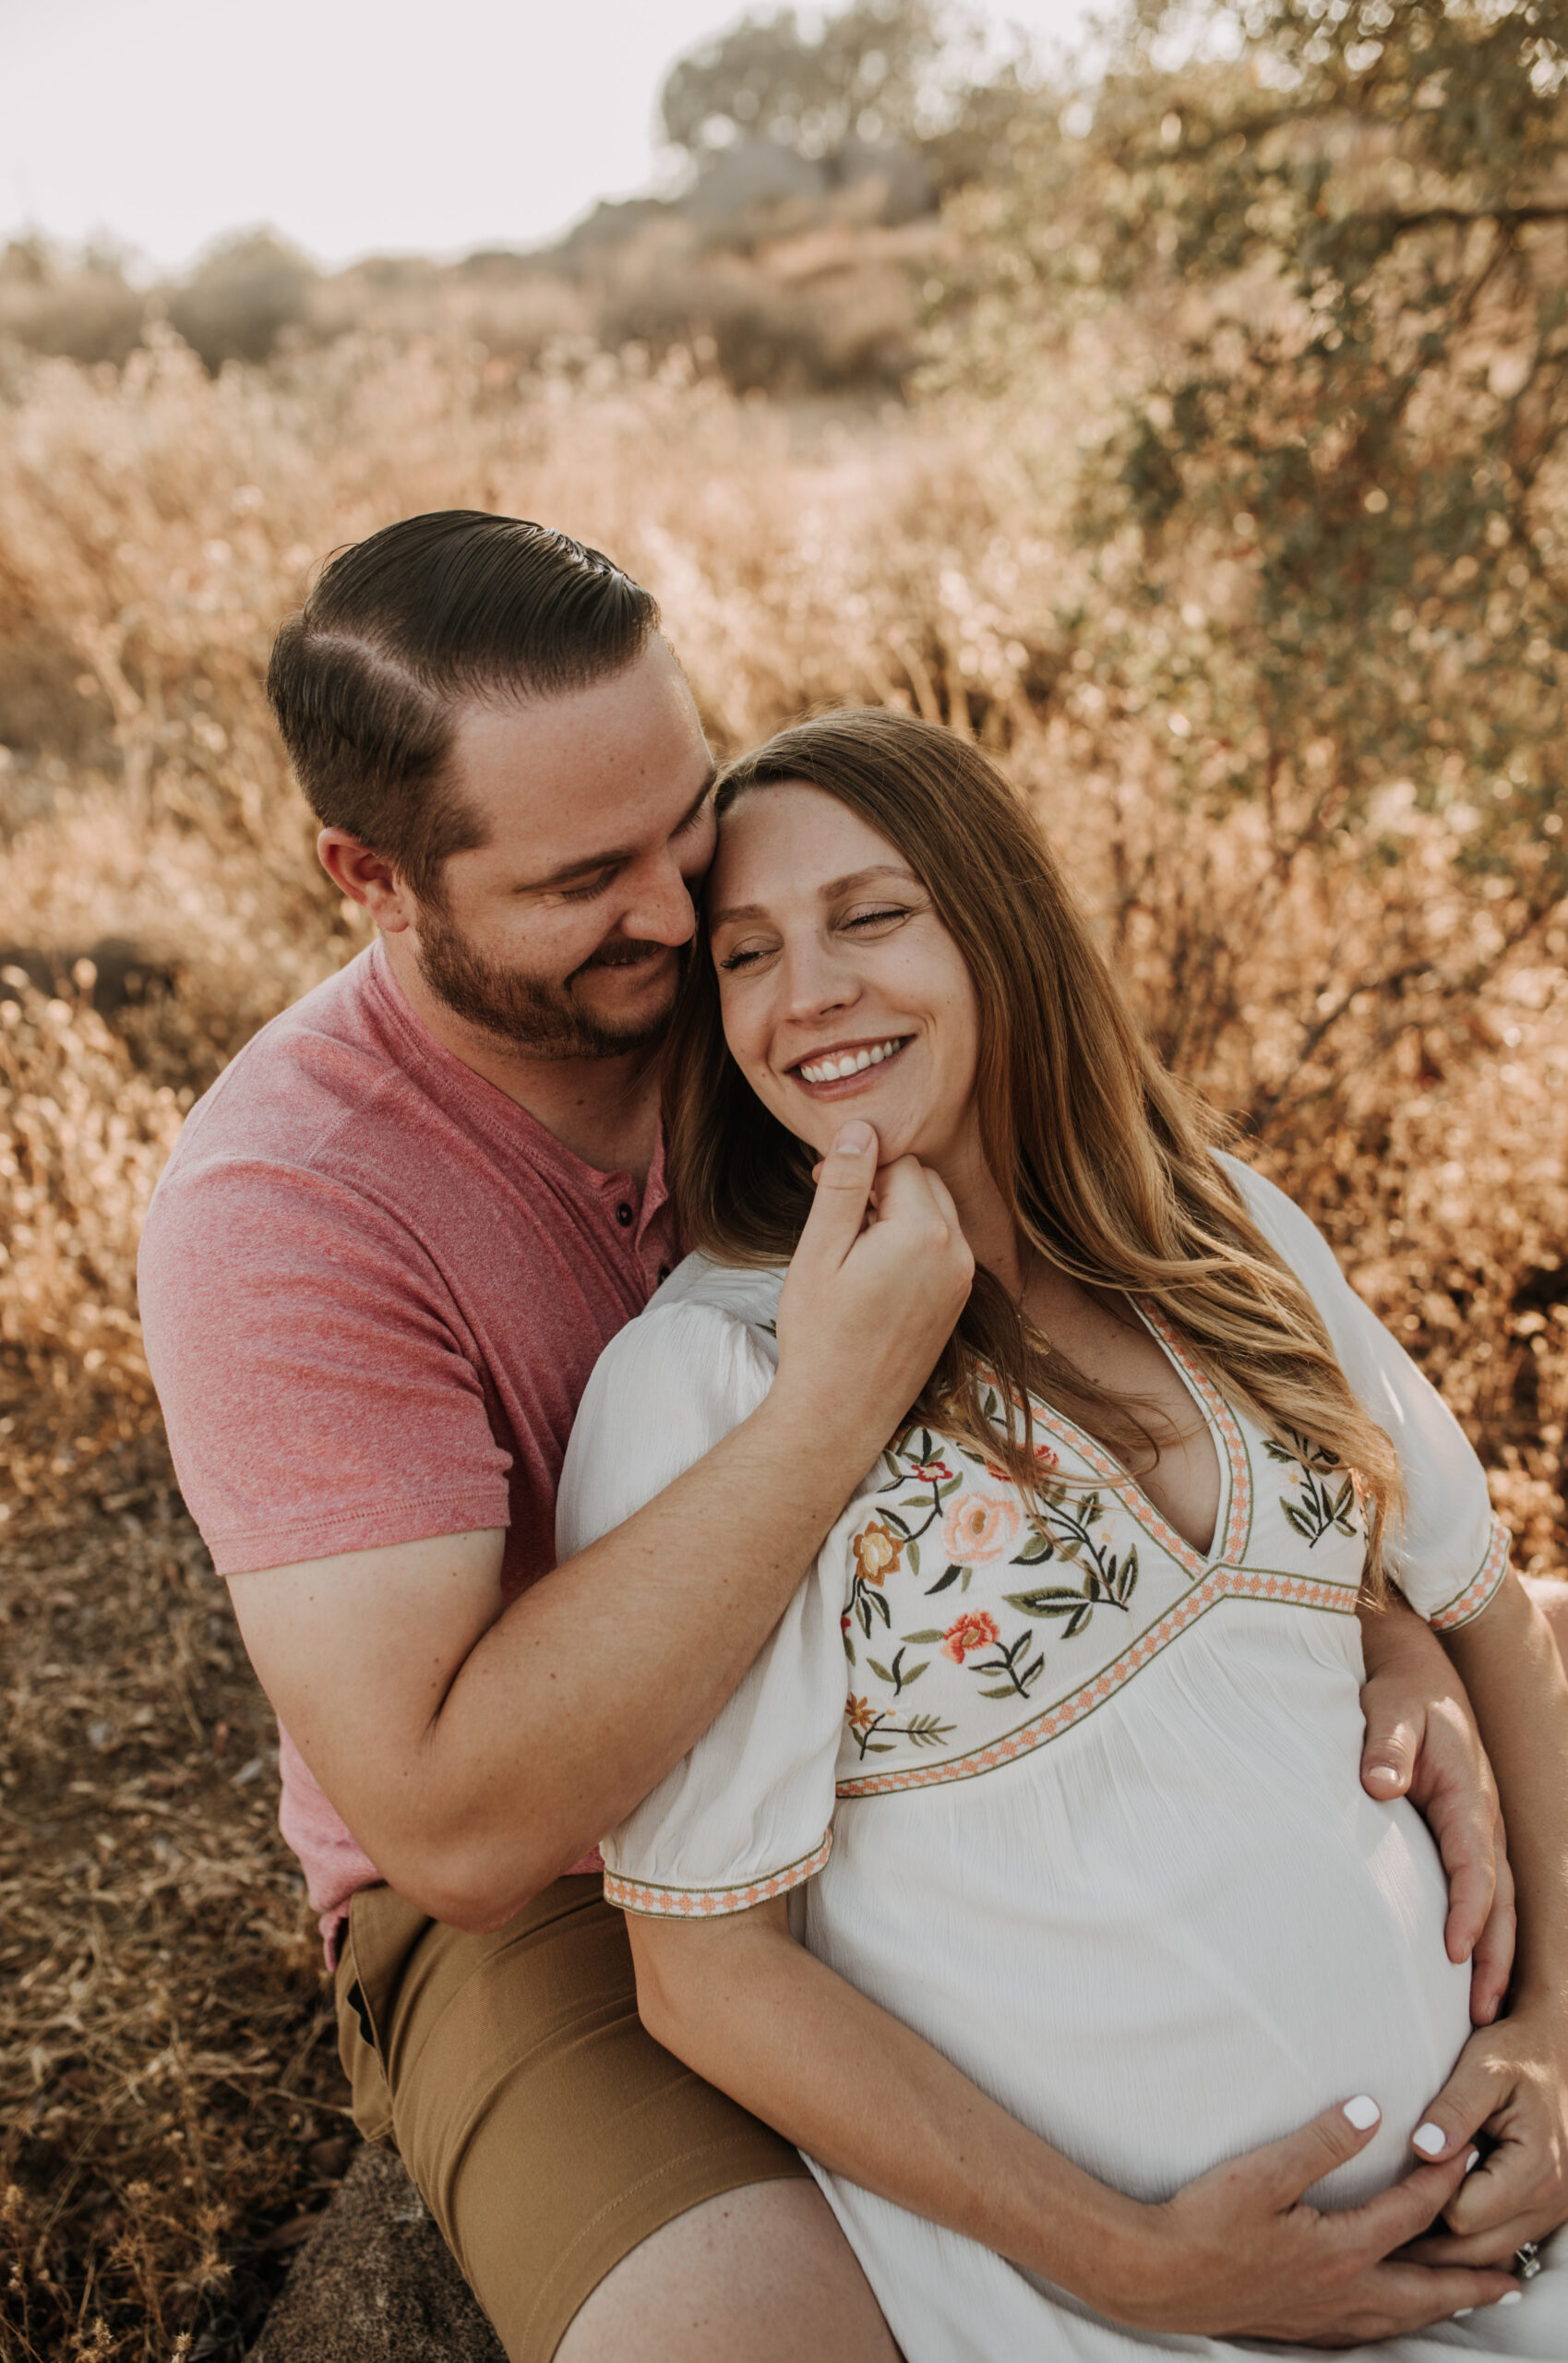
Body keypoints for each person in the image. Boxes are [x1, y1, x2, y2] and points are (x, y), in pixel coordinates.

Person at [138, 514, 1520, 2363]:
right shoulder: (282, 1211)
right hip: (551, 1882)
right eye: (582, 879)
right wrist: (830, 1404)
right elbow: (456, 1820)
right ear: (365, 877)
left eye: (682, 821)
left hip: (931, 1723)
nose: (673, 908)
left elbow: (1146, 1266)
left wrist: (1364, 1603)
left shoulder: (774, 969)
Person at [556, 706, 1568, 2359]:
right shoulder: (716, 1378)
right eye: (747, 954)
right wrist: (1137, 2265)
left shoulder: (1222, 1229)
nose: (808, 992)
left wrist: (1557, 2027)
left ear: (1004, 925)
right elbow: (707, 1975)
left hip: (1517, 2228)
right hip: (1136, 2323)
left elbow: (1483, 1604)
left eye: (872, 918)